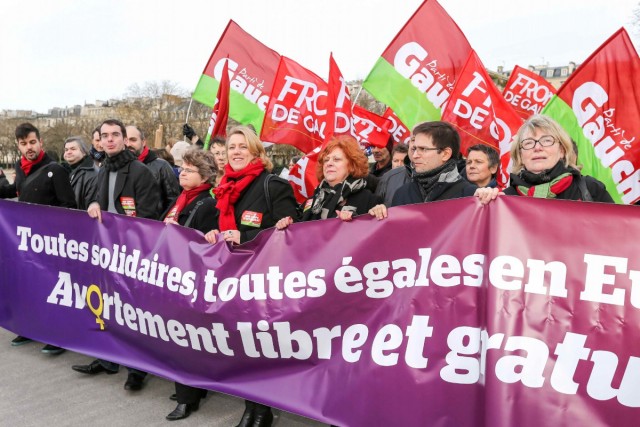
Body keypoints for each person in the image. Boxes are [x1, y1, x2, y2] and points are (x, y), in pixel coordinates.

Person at [204, 125, 298, 427]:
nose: (236, 152)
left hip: (265, 277)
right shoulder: (224, 189)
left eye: (243, 146)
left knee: (261, 345)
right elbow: (219, 229)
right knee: (242, 345)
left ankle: (263, 410)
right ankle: (251, 405)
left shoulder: (273, 185)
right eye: (232, 147)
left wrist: (243, 235)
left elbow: (290, 232)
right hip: (233, 277)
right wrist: (214, 234)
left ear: (256, 151)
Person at [72, 119, 161, 391]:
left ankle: (137, 369)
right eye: (104, 136)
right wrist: (95, 204)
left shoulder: (140, 172)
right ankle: (109, 359)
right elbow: (97, 201)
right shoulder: (101, 171)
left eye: (115, 135)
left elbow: (150, 217)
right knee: (108, 308)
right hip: (106, 254)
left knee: (133, 313)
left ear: (124, 139)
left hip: (133, 255)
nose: (109, 140)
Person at [0, 123, 76, 354]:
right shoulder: (21, 167)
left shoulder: (56, 169)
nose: (28, 147)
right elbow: (16, 191)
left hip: (52, 242)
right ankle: (32, 329)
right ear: (18, 145)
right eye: (23, 144)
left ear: (40, 142)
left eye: (32, 142)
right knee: (32, 286)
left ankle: (58, 336)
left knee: (53, 289)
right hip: (28, 240)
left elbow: (69, 206)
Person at [163, 148, 219, 421]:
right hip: (176, 275)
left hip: (191, 279)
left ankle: (187, 399)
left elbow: (203, 245)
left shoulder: (207, 204)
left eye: (188, 170)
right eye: (181, 168)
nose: (182, 173)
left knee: (184, 339)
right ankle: (190, 390)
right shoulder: (181, 199)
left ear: (204, 175)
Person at [475, 115, 614, 204]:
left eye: (547, 140)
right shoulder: (503, 199)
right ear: (520, 156)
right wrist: (482, 203)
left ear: (561, 150)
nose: (537, 148)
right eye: (529, 143)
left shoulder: (590, 189)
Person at [369, 121, 477, 220]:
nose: (415, 155)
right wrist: (379, 216)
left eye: (423, 149)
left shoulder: (470, 196)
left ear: (445, 154)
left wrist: (489, 199)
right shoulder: (402, 193)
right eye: (415, 149)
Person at [277, 136, 381, 227]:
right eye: (326, 160)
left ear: (351, 165)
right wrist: (288, 223)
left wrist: (354, 223)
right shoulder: (314, 198)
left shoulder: (369, 200)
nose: (329, 163)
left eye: (336, 159)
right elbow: (300, 229)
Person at [126, 125, 180, 213]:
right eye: (125, 140)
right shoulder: (119, 166)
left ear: (143, 142)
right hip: (126, 223)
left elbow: (173, 200)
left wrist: (160, 223)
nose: (128, 144)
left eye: (133, 140)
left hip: (154, 223)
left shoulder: (162, 166)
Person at [63, 136, 99, 210]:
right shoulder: (65, 171)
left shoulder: (92, 173)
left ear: (84, 152)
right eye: (66, 150)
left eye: (73, 149)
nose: (68, 152)